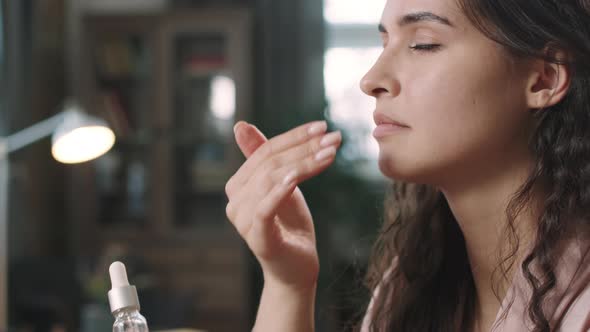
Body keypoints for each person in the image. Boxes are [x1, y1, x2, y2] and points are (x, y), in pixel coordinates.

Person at [225, 0, 590, 331]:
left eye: (423, 44)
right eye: (385, 44)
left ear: (545, 78)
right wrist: (288, 282)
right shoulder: (409, 286)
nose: (371, 80)